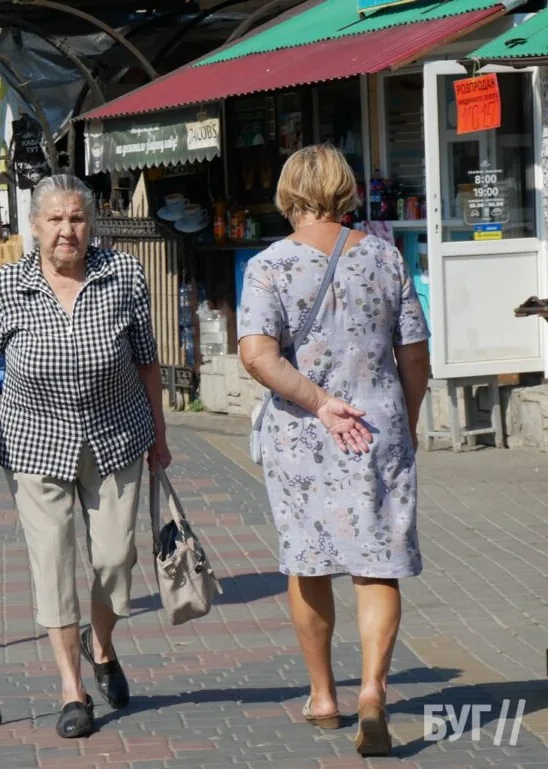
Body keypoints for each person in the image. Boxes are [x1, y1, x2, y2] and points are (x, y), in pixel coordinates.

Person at [0, 174, 171, 740]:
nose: (66, 231)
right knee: (53, 563)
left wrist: (160, 431)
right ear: (35, 226)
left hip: (116, 436)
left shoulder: (122, 274)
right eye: (54, 220)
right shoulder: (6, 286)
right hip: (34, 444)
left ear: (90, 224)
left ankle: (101, 644)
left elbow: (147, 359)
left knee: (115, 560)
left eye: (76, 219)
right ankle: (72, 690)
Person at [238, 145, 430, 758]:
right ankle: (373, 688)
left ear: (287, 192)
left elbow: (256, 355)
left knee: (309, 561)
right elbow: (415, 357)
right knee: (378, 563)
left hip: (302, 436)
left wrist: (319, 401)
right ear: (346, 191)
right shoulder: (383, 256)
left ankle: (324, 695)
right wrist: (410, 419)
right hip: (378, 430)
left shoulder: (270, 265)